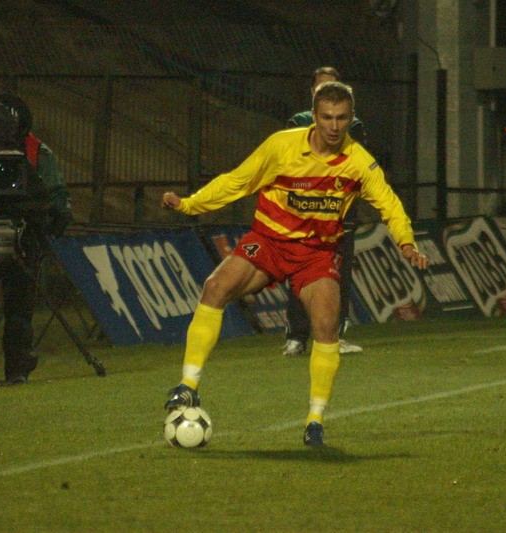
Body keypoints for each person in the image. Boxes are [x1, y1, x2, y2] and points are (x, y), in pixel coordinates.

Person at [161, 81, 428, 446]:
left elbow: (390, 204)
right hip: (269, 241)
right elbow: (237, 182)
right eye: (327, 117)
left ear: (351, 118)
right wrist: (190, 204)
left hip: (316, 254)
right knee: (215, 287)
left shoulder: (359, 163)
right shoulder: (281, 146)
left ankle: (315, 421)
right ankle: (188, 386)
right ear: (313, 116)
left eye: (342, 118)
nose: (334, 126)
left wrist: (406, 242)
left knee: (326, 326)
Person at [0, 93, 73, 386]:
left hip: (23, 239)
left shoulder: (37, 152)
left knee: (19, 309)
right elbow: (49, 201)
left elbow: (53, 197)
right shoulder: (29, 155)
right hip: (22, 239)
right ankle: (17, 369)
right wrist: (52, 219)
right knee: (19, 309)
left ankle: (17, 367)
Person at [282, 66, 366, 357]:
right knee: (300, 274)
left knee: (338, 276)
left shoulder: (353, 125)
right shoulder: (298, 123)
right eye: (321, 88)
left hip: (340, 216)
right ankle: (296, 337)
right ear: (312, 93)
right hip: (304, 214)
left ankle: (333, 336)